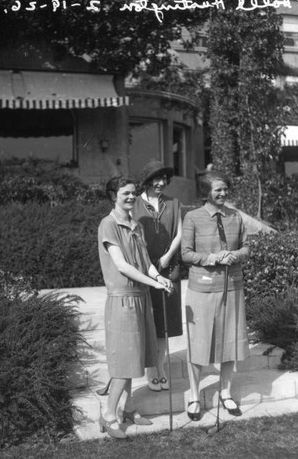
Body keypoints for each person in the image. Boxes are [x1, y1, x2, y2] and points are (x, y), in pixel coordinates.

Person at [98, 176, 173, 439]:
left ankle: (128, 408)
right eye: (125, 194)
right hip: (122, 300)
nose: (130, 197)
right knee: (123, 363)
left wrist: (158, 277)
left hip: (140, 297)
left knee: (136, 358)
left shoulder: (136, 225)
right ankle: (108, 415)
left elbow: (144, 262)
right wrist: (152, 284)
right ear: (113, 196)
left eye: (133, 193)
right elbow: (122, 265)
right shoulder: (108, 225)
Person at [181, 170, 250, 421]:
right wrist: (210, 258)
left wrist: (236, 255)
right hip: (203, 290)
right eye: (217, 190)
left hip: (232, 286)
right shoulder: (192, 217)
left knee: (230, 341)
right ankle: (194, 397)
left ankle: (225, 391)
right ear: (205, 192)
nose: (223, 193)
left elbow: (246, 246)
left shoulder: (235, 216)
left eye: (225, 189)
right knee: (200, 344)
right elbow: (186, 253)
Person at [132, 160, 183, 392]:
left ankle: (160, 367)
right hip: (143, 271)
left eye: (164, 178)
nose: (161, 182)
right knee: (148, 321)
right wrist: (149, 263)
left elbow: (179, 233)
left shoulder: (173, 203)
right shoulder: (134, 205)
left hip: (168, 269)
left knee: (164, 324)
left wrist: (167, 256)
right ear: (147, 181)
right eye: (156, 178)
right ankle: (151, 369)